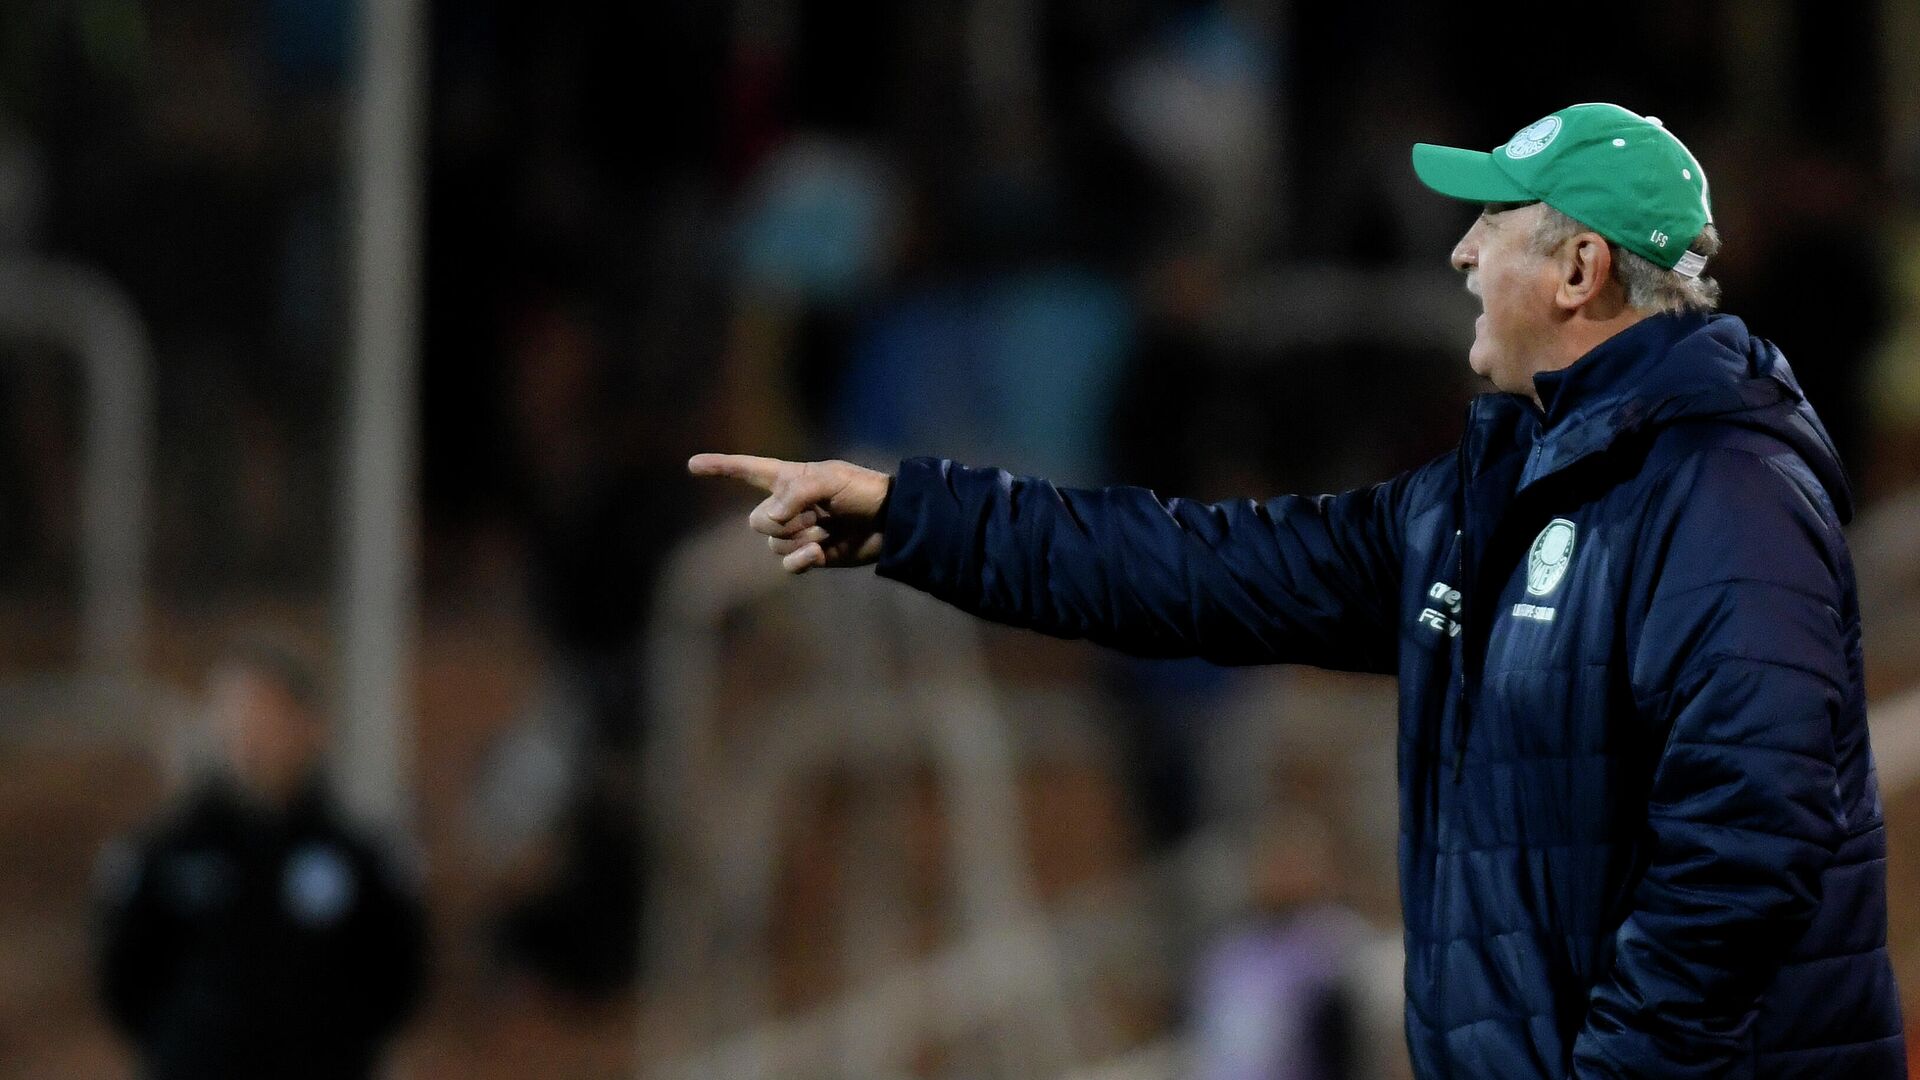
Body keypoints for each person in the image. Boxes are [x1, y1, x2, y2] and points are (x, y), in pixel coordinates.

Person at [688, 102, 1905, 1077]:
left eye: (1493, 224)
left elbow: (1750, 839)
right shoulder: (1483, 502)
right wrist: (915, 518)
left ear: (1580, 267)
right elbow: (1203, 570)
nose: (1461, 250)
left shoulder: (1727, 489)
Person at [92, 635, 428, 1080]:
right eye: (233, 715)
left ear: (309, 724)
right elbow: (126, 979)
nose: (247, 734)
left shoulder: (359, 854)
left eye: (264, 715)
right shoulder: (163, 852)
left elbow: (396, 974)